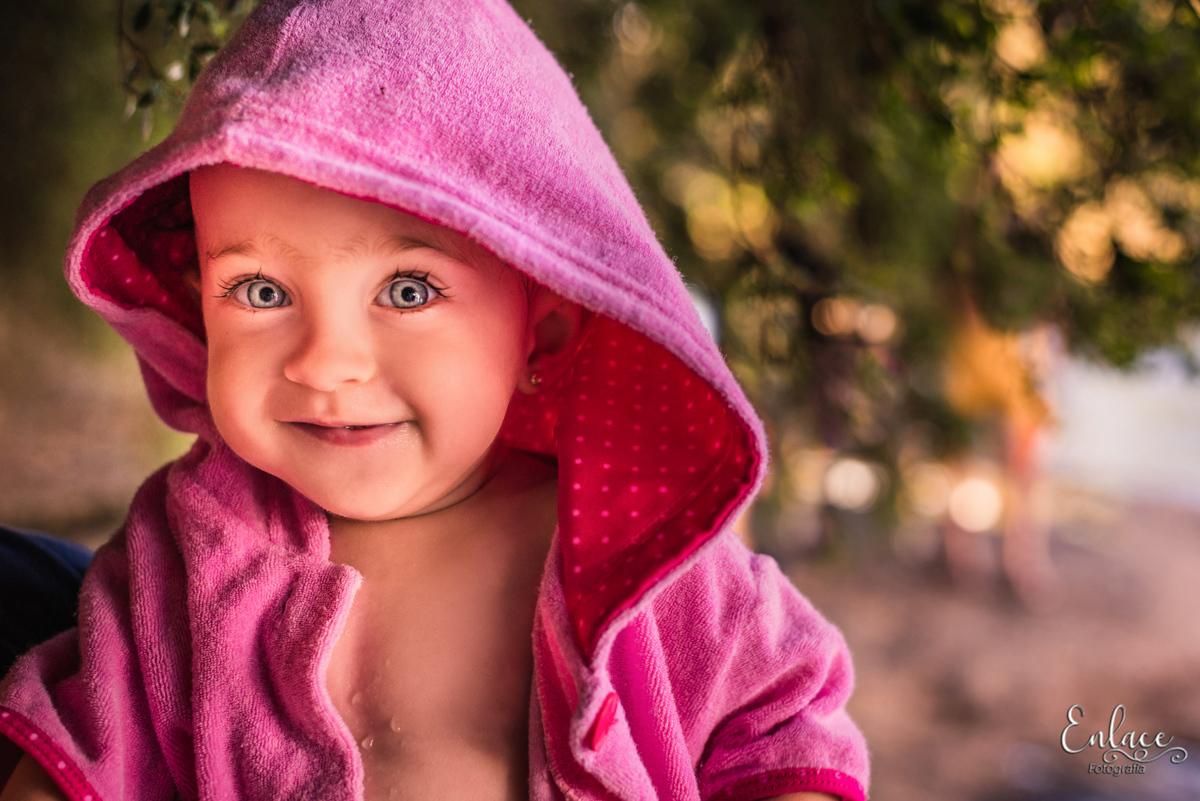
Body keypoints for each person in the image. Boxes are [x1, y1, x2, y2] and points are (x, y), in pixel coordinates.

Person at [0, 1, 870, 799]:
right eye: (261, 291)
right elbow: (75, 750)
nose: (327, 362)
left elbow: (781, 728)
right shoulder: (186, 550)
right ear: (198, 300)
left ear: (545, 332)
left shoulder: (637, 558)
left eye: (409, 290)